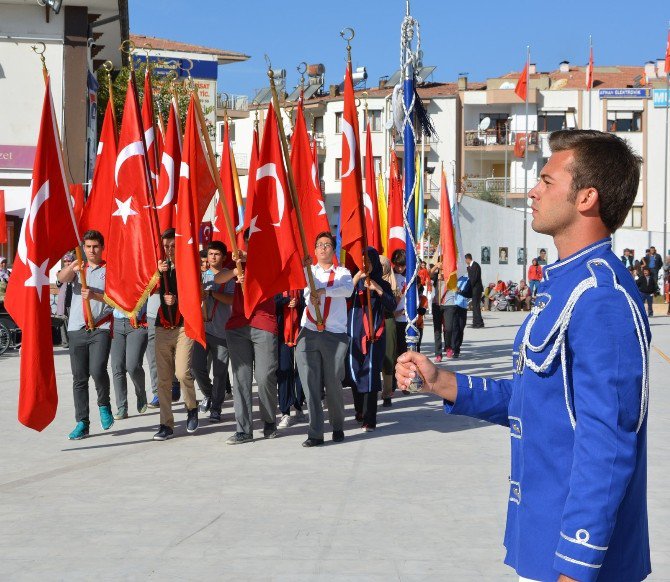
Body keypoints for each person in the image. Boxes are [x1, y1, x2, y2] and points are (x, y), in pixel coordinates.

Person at [396, 130, 650, 581]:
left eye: (547, 182)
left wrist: (577, 563)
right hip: (539, 536)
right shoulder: (564, 285)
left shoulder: (600, 296)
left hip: (573, 558)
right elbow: (537, 400)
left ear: (587, 197)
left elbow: (607, 443)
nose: (533, 190)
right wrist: (441, 382)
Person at [296, 231, 353, 447]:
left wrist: (324, 291)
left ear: (333, 249)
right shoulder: (308, 271)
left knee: (333, 383)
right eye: (319, 244)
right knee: (310, 384)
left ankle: (337, 425)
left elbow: (347, 290)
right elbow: (303, 291)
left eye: (327, 245)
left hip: (334, 335)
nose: (323, 248)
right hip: (309, 330)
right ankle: (315, 432)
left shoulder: (342, 272)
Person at [224, 230, 280, 445]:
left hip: (263, 323)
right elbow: (219, 277)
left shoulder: (270, 261)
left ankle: (269, 421)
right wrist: (234, 272)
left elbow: (271, 279)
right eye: (248, 240)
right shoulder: (237, 262)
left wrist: (249, 268)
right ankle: (244, 429)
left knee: (265, 376)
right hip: (238, 325)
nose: (250, 244)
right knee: (241, 380)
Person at [57, 230, 114, 440]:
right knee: (79, 378)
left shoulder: (109, 270)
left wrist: (95, 295)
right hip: (76, 329)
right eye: (88, 246)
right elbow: (61, 279)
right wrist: (73, 266)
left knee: (97, 369)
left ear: (102, 247)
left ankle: (104, 404)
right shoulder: (78, 267)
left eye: (95, 246)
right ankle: (82, 422)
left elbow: (116, 299)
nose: (91, 250)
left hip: (100, 326)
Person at [153, 229, 199, 441]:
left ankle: (191, 407)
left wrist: (177, 299)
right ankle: (166, 423)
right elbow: (144, 288)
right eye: (166, 246)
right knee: (163, 379)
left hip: (183, 326)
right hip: (162, 327)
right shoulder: (159, 268)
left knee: (181, 373)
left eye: (173, 246)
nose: (169, 250)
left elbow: (195, 291)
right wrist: (156, 273)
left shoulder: (188, 266)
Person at [344, 247, 396, 431]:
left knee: (371, 374)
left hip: (375, 336)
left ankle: (370, 418)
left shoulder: (382, 283)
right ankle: (359, 410)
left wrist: (378, 289)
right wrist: (357, 276)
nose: (366, 264)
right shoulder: (353, 282)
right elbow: (342, 297)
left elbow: (391, 304)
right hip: (354, 334)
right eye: (363, 261)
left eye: (369, 261)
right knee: (354, 372)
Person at [192, 240, 235, 423]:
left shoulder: (229, 277)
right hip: (202, 330)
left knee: (219, 372)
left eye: (217, 254)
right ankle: (209, 394)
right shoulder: (200, 276)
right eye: (210, 254)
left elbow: (231, 300)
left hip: (222, 331)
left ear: (223, 257)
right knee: (196, 367)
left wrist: (212, 294)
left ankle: (216, 408)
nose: (213, 257)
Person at [110, 303, 148, 420]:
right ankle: (122, 407)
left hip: (137, 323)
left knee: (132, 366)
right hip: (116, 322)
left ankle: (140, 392)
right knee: (117, 366)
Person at [275, 289, 307, 428]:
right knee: (284, 370)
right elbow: (269, 302)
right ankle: (285, 411)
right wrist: (286, 301)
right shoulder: (276, 280)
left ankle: (299, 406)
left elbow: (309, 302)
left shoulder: (302, 281)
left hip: (301, 330)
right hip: (281, 333)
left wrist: (299, 302)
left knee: (301, 369)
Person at [380, 255, 398, 407]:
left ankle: (387, 393)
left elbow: (392, 305)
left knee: (388, 357)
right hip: (372, 323)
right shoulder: (366, 282)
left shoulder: (389, 284)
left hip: (387, 321)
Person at [55, 253, 75, 347]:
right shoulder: (61, 272)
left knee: (73, 322)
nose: (67, 263)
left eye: (69, 261)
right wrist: (59, 278)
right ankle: (65, 342)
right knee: (63, 322)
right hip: (63, 301)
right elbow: (58, 284)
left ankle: (73, 341)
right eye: (65, 261)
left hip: (73, 301)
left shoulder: (77, 271)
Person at [430, 260, 447, 361]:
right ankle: (438, 353)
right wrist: (436, 266)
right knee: (437, 329)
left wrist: (445, 277)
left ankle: (448, 345)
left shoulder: (451, 275)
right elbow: (428, 274)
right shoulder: (436, 275)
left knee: (448, 328)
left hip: (448, 305)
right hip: (436, 304)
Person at [465, 253, 484, 328]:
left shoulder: (475, 265)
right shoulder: (471, 266)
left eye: (465, 260)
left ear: (468, 259)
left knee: (475, 306)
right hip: (475, 289)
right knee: (475, 305)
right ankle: (478, 322)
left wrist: (468, 287)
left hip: (477, 288)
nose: (465, 262)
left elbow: (474, 278)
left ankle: (478, 323)